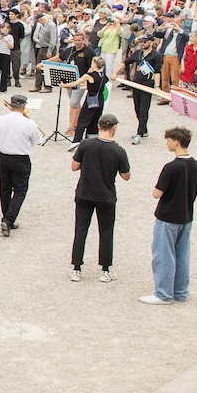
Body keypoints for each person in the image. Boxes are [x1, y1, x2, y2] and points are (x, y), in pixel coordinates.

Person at [142, 127, 197, 305]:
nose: (167, 143)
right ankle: (181, 291)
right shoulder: (195, 164)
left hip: (168, 216)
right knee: (182, 255)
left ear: (176, 142)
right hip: (186, 216)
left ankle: (163, 293)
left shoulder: (171, 167)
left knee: (163, 255)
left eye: (169, 140)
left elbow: (157, 193)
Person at [70, 114, 131, 282]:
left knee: (81, 229)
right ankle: (105, 269)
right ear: (114, 128)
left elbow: (74, 167)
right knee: (106, 231)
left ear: (98, 126)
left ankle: (76, 267)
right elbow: (126, 176)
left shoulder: (86, 144)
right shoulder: (119, 150)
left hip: (84, 193)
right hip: (106, 196)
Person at [0, 94, 43, 236]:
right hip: (21, 158)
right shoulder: (28, 123)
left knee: (5, 188)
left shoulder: (0, 119)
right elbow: (38, 140)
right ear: (23, 106)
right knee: (20, 190)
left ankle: (6, 216)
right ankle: (9, 219)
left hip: (3, 157)